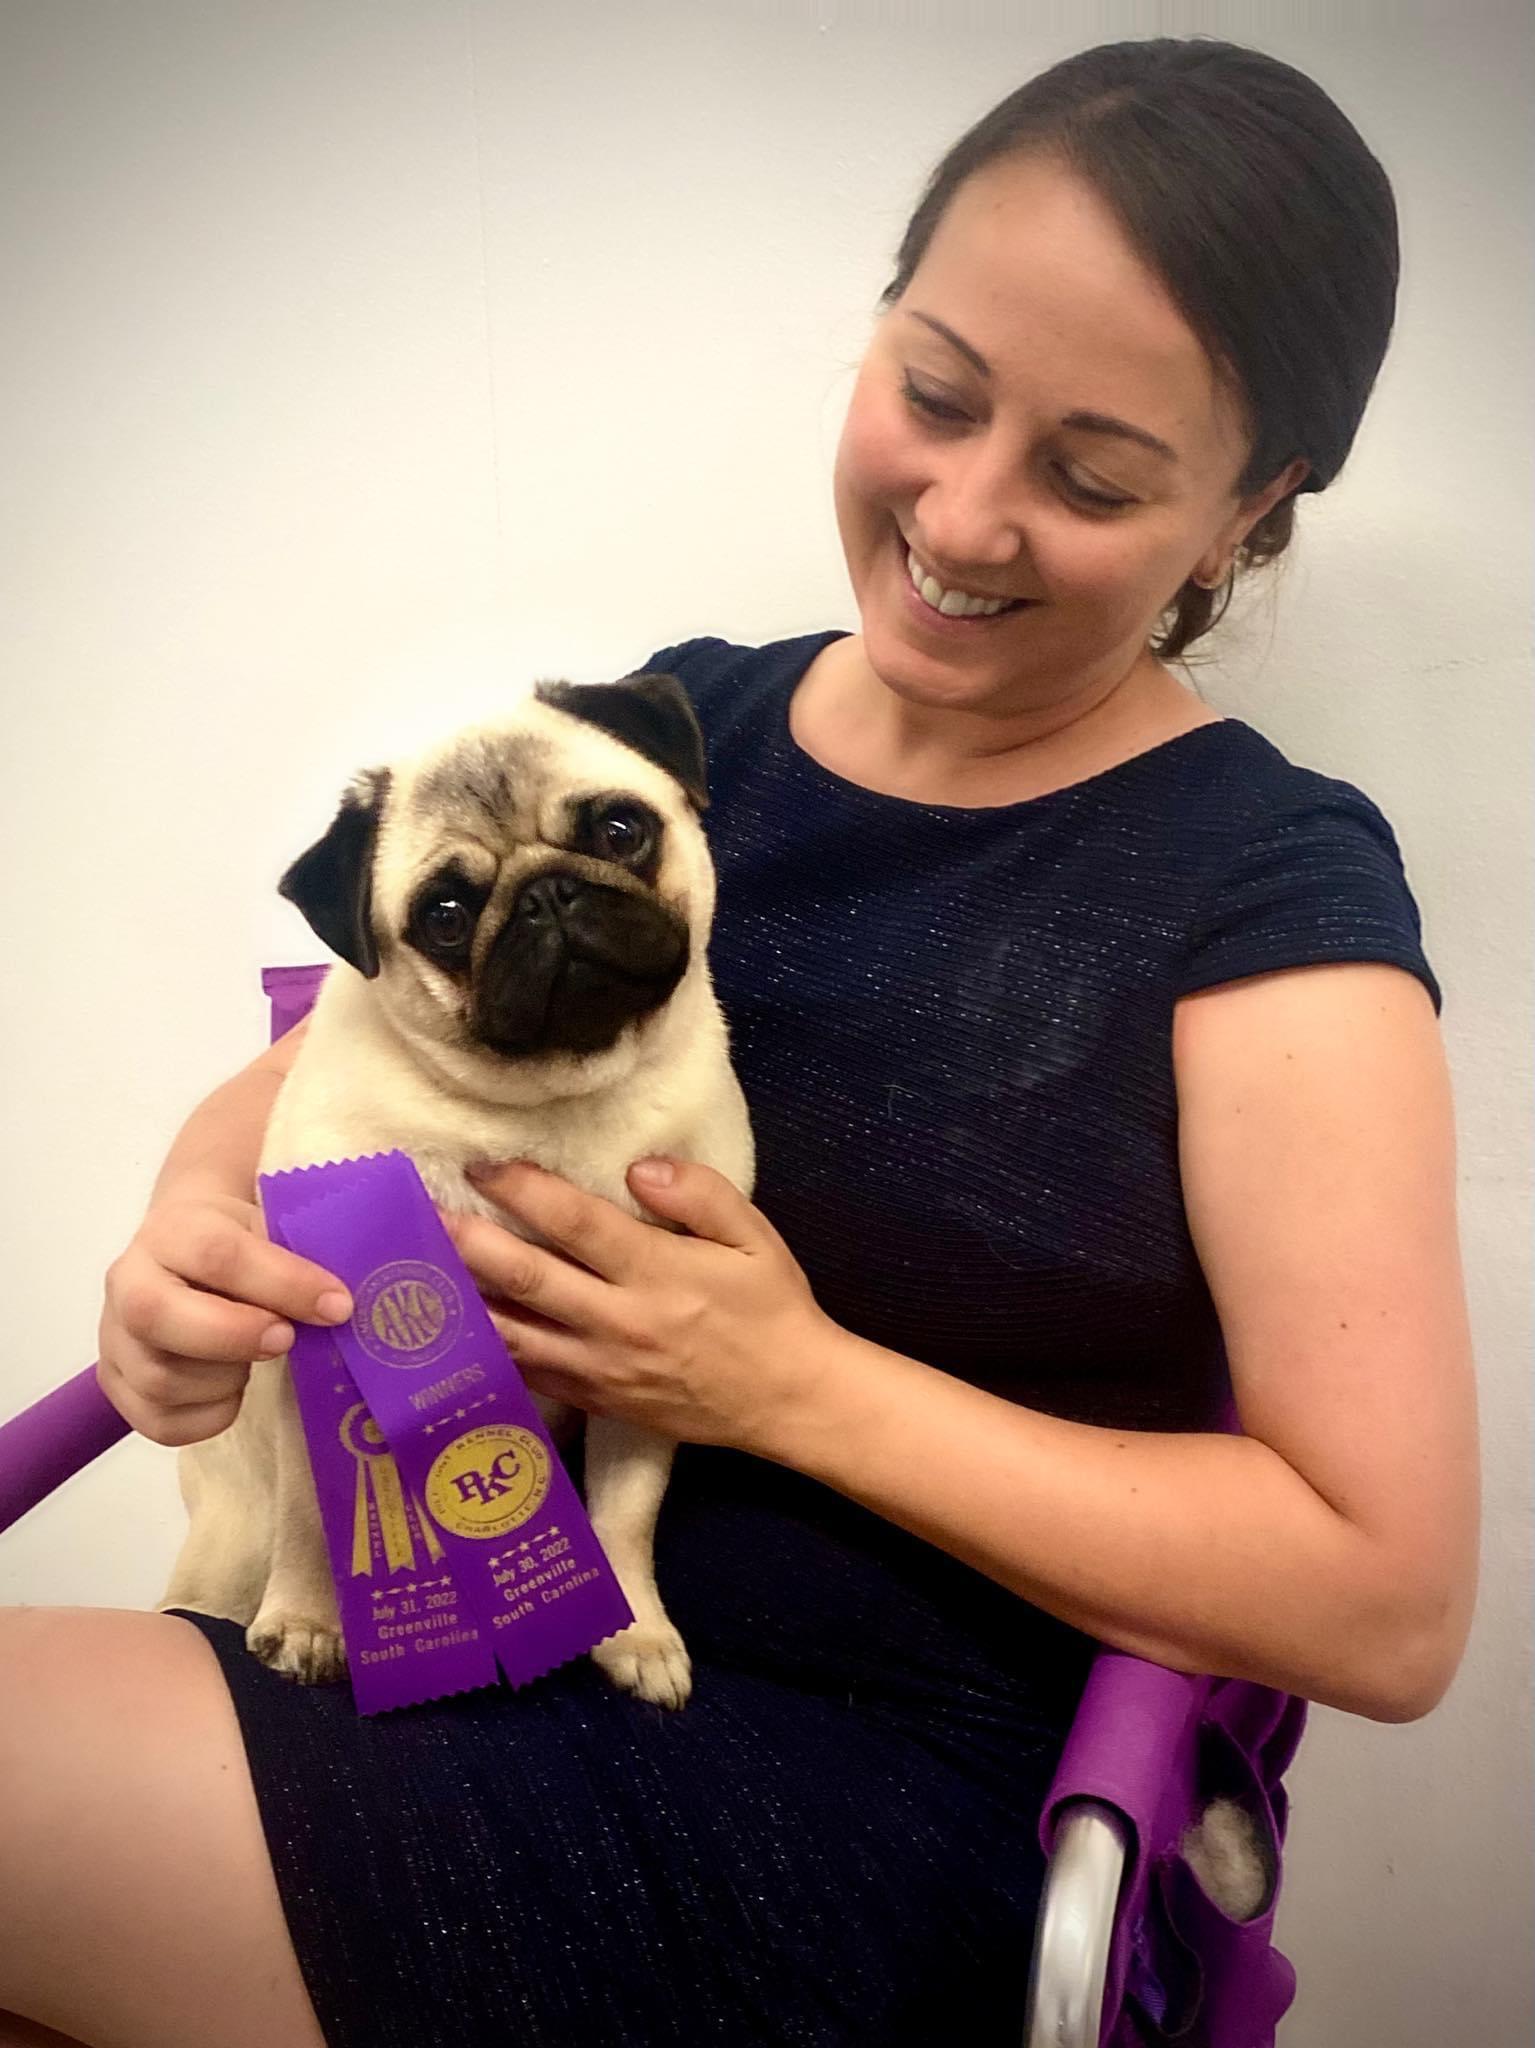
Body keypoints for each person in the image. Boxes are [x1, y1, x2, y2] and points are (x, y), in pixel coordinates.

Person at [0, 36, 1479, 2048]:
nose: (965, 511)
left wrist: (788, 1385)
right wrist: (189, 1235)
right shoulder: (670, 736)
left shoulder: (1262, 882)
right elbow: (323, 1062)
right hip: (439, 1623)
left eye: (1091, 475)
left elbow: (1386, 1602)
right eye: (934, 391)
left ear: (1248, 507)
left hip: (866, 1779)